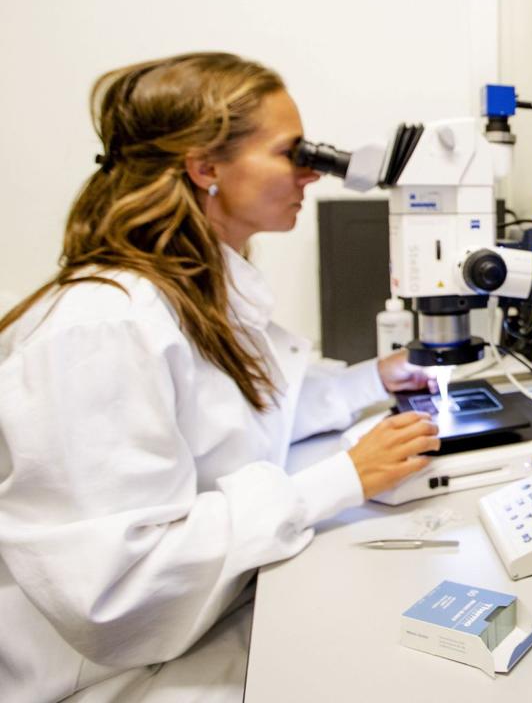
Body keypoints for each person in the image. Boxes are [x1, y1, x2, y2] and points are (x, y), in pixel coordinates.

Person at [0, 52, 441, 702]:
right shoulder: (101, 328)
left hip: (208, 619)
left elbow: (242, 418)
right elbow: (119, 591)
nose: (311, 175)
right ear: (205, 167)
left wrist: (373, 379)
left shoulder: (192, 287)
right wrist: (339, 480)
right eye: (294, 153)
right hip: (120, 675)